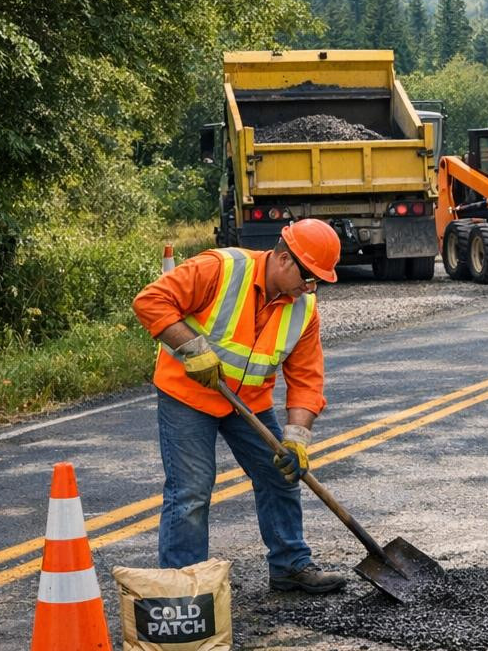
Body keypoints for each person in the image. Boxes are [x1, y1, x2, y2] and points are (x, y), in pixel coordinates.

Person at [132, 219, 346, 594]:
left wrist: (296, 440)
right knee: (192, 491)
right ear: (283, 258)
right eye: (307, 276)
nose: (309, 288)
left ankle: (290, 565)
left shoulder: (303, 308)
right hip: (189, 395)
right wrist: (192, 349)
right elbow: (150, 301)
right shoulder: (220, 268)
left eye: (317, 281)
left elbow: (307, 380)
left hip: (246, 402)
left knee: (281, 474)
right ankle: (185, 586)